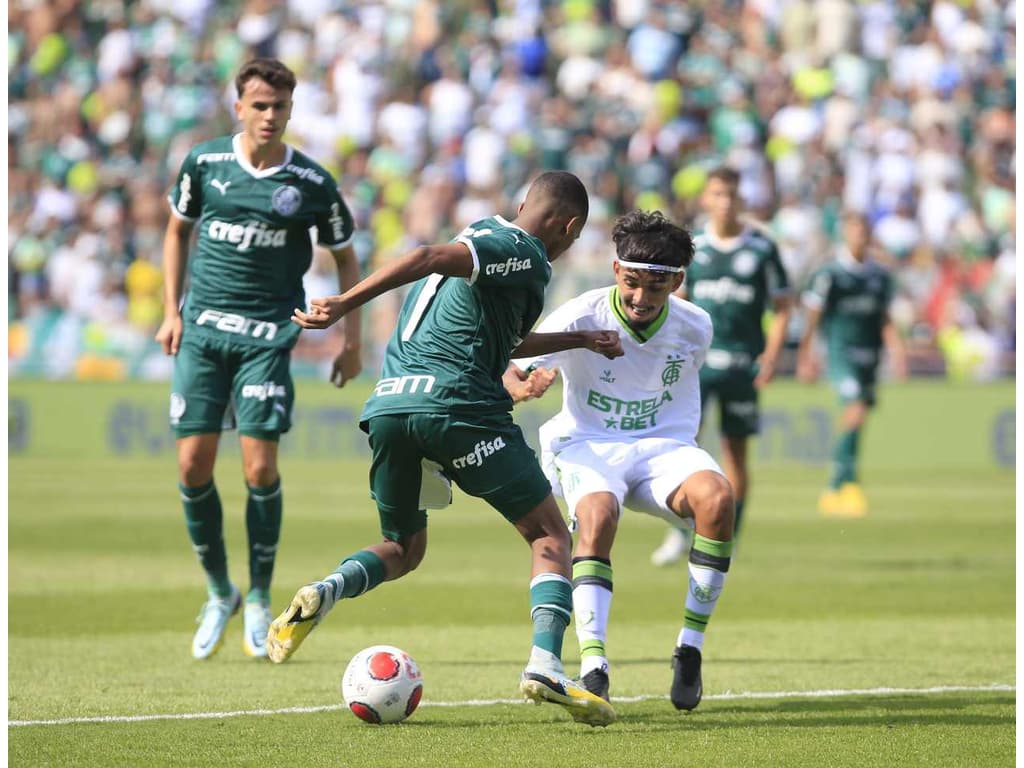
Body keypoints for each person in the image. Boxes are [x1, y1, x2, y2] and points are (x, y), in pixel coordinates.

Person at [269, 171, 621, 728]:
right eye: (574, 237)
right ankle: (546, 664)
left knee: (403, 547)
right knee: (550, 534)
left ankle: (325, 591)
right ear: (567, 225)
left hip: (389, 408)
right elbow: (429, 255)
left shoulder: (489, 246)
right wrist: (343, 304)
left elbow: (500, 339)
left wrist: (577, 340)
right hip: (456, 407)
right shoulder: (521, 250)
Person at [157, 58, 363, 660]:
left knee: (259, 471)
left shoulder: (313, 184)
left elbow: (346, 259)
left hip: (267, 336)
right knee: (194, 464)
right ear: (238, 107)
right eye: (259, 105)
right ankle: (220, 592)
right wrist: (171, 311)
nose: (270, 116)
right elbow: (176, 232)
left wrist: (351, 341)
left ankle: (259, 597)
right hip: (201, 331)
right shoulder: (206, 164)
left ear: (291, 110)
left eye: (280, 106)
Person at [504, 209, 736, 711]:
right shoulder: (579, 316)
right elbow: (514, 364)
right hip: (586, 443)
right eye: (632, 283)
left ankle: (689, 649)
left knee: (718, 500)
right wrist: (523, 385)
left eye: (657, 287)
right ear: (616, 272)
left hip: (663, 448)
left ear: (676, 282)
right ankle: (595, 666)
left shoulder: (696, 326)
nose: (641, 298)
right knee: (599, 513)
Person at [650, 166, 791, 567]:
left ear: (740, 199)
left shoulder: (762, 249)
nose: (725, 202)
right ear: (707, 200)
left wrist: (773, 354)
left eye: (731, 194)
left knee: (735, 452)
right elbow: (676, 305)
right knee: (681, 446)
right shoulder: (693, 248)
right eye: (718, 194)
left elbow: (782, 307)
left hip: (744, 365)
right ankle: (678, 531)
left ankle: (728, 536)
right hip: (696, 367)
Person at [796, 211, 907, 516]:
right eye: (853, 230)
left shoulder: (879, 276)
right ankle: (839, 483)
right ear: (845, 234)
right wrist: (806, 354)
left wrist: (897, 350)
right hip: (839, 352)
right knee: (855, 410)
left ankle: (848, 480)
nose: (859, 236)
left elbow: (884, 318)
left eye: (863, 230)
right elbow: (813, 316)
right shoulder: (830, 273)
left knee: (859, 416)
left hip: (870, 354)